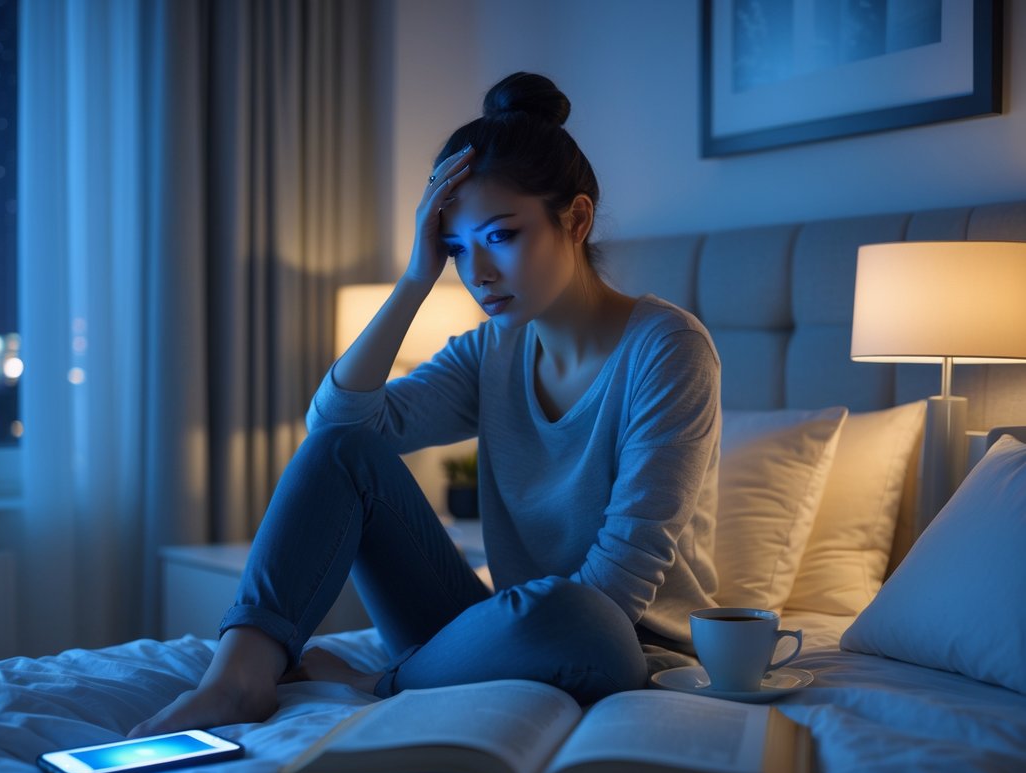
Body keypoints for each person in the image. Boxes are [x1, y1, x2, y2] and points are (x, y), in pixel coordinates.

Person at [128, 71, 719, 739]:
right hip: (499, 628)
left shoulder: (666, 348)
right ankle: (234, 680)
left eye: (501, 235)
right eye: (457, 249)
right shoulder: (492, 349)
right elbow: (337, 429)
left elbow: (620, 580)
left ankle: (376, 683)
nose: (478, 274)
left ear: (575, 219)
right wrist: (414, 278)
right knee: (344, 454)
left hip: (614, 646)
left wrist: (384, 674)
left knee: (572, 610)